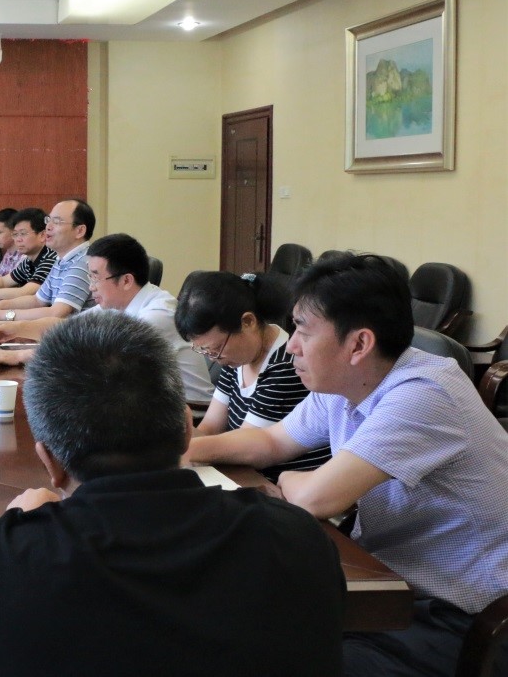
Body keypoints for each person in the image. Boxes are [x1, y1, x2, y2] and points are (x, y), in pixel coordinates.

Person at [0, 310, 345, 676]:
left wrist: (13, 522)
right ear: (187, 429)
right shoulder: (296, 539)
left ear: (49, 461)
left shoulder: (3, 561)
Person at [188, 254, 508, 677]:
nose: (292, 345)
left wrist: (290, 477)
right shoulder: (342, 383)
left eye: (303, 330)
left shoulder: (424, 393)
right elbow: (270, 441)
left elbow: (316, 498)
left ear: (359, 344)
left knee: (271, 655)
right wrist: (184, 451)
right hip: (390, 587)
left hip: (461, 615)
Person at [0, 233, 212, 404]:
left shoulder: (156, 314)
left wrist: (19, 356)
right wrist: (16, 329)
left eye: (96, 278)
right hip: (146, 402)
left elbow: (90, 352)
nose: (91, 287)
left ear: (126, 280)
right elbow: (68, 329)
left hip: (188, 412)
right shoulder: (117, 303)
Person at [174, 270, 329, 477]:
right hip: (246, 473)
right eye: (206, 351)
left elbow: (248, 443)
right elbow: (210, 427)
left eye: (216, 349)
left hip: (278, 480)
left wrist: (183, 450)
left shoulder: (286, 366)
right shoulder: (236, 359)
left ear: (248, 322)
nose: (213, 358)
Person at [0, 198, 95, 327]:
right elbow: (37, 300)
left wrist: (1, 314)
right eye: (48, 220)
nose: (48, 227)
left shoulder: (82, 263)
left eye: (56, 221)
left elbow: (57, 313)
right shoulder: (62, 259)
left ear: (79, 231)